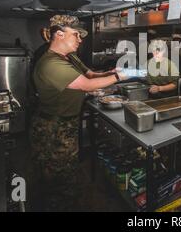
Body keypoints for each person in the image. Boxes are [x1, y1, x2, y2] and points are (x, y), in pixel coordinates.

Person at [30, 15, 129, 211]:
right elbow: (87, 84)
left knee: (68, 171)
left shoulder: (69, 57)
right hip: (53, 129)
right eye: (76, 35)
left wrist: (110, 72)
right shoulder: (50, 64)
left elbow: (90, 74)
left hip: (66, 124)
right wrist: (120, 76)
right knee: (57, 177)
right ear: (59, 34)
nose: (80, 40)